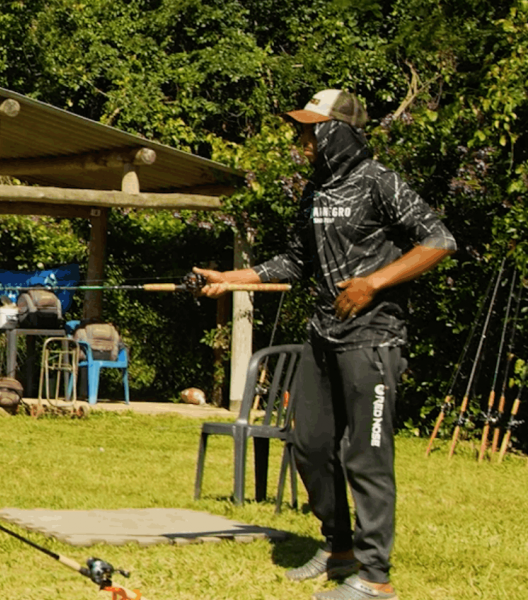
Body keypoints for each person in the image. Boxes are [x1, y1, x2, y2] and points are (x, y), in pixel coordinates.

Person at [193, 89, 455, 600]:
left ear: (338, 132)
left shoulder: (380, 182)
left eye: (311, 129)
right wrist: (233, 277)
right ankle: (340, 549)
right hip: (322, 334)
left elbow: (438, 240)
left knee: (367, 455)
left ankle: (375, 579)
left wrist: (371, 284)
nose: (302, 139)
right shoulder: (315, 191)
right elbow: (294, 261)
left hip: (373, 338)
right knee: (309, 445)